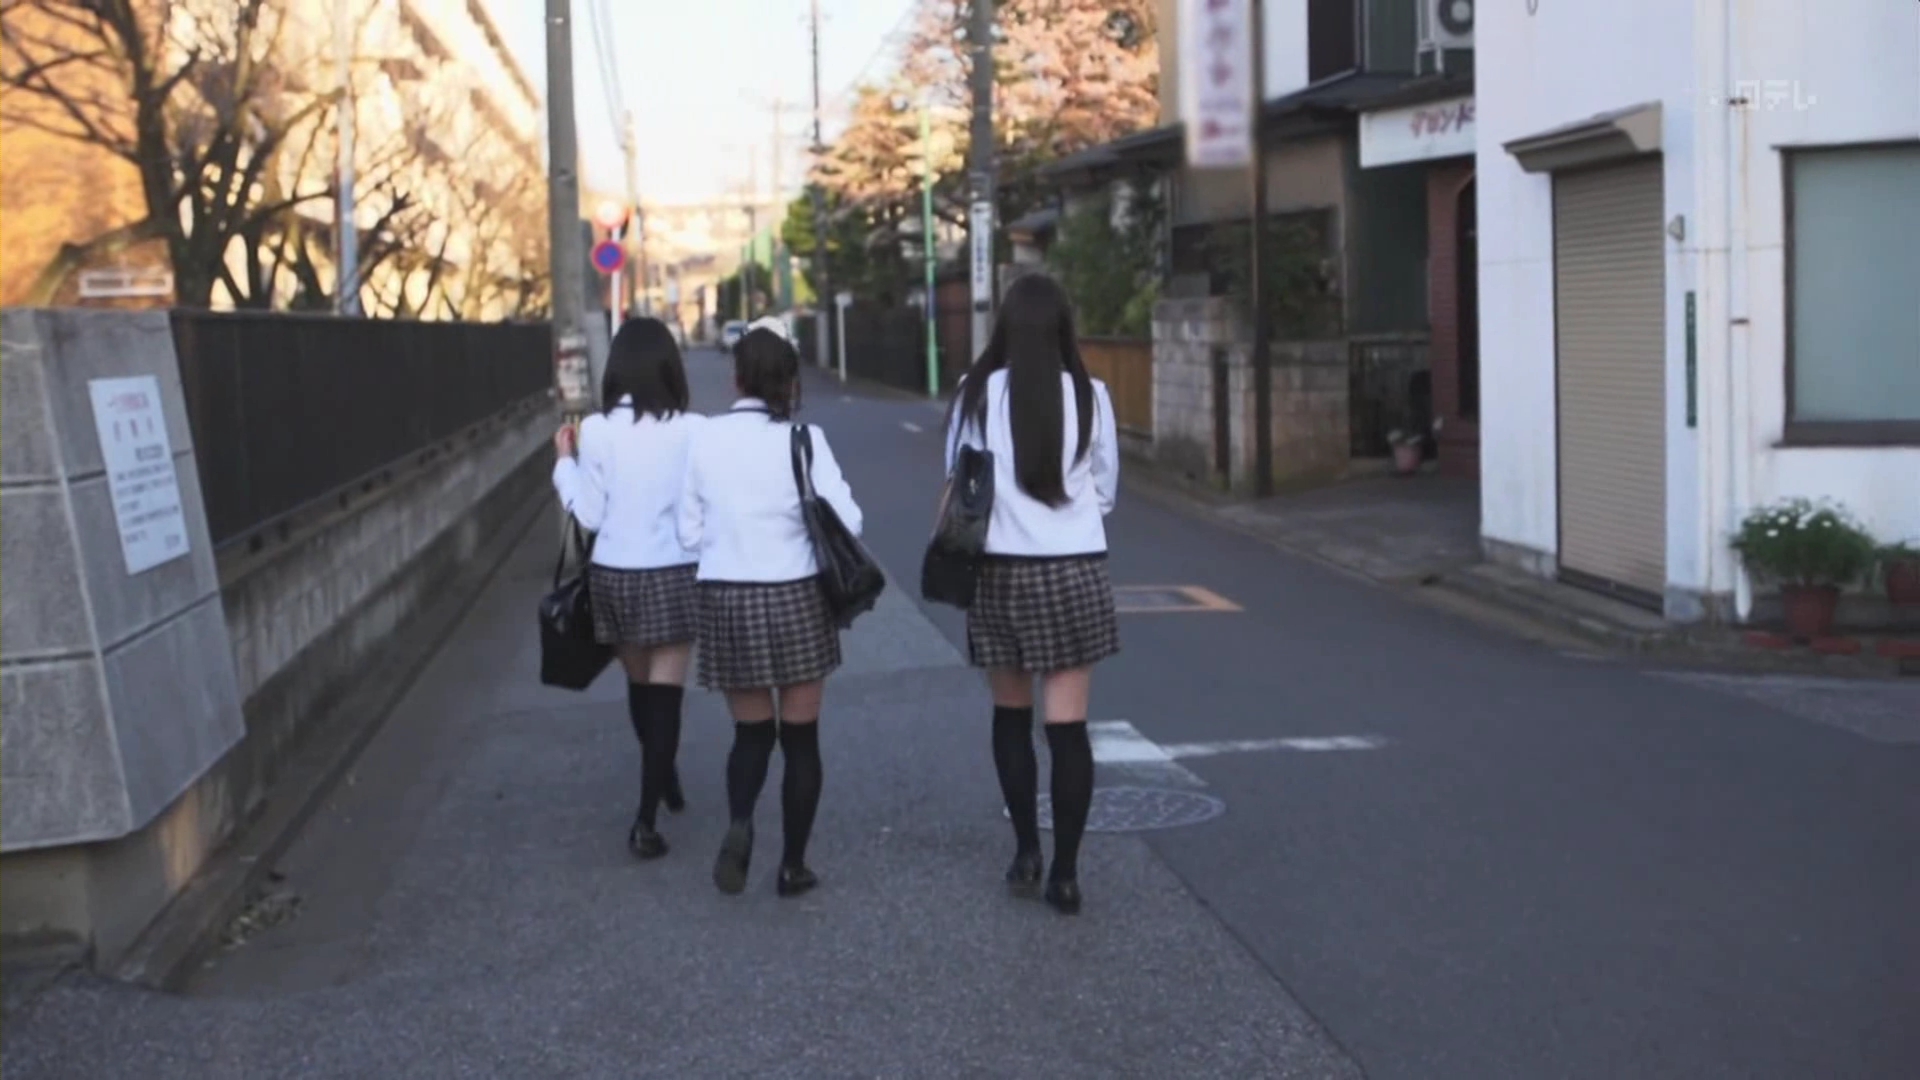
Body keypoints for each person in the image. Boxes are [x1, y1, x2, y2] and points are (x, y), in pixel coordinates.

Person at [945, 273, 1120, 916]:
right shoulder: (1092, 395)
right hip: (1075, 570)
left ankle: (1026, 851)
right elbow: (1105, 491)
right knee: (1068, 728)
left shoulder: (974, 394)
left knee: (1011, 717)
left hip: (1000, 571)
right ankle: (1066, 875)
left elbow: (960, 481)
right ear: (1064, 328)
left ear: (1006, 328)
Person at [678, 325, 863, 899]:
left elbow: (688, 534)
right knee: (801, 740)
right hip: (796, 595)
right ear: (789, 382)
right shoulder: (804, 440)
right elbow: (850, 521)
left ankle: (740, 822)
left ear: (736, 378)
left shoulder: (705, 439)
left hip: (728, 598)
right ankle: (792, 866)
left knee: (751, 734)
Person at [552, 317, 703, 860]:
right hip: (674, 573)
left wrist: (564, 465)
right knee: (666, 695)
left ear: (616, 368)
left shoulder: (596, 431)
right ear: (670, 367)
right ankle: (647, 815)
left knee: (641, 689)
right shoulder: (693, 430)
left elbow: (589, 514)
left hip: (614, 575)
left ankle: (661, 775)